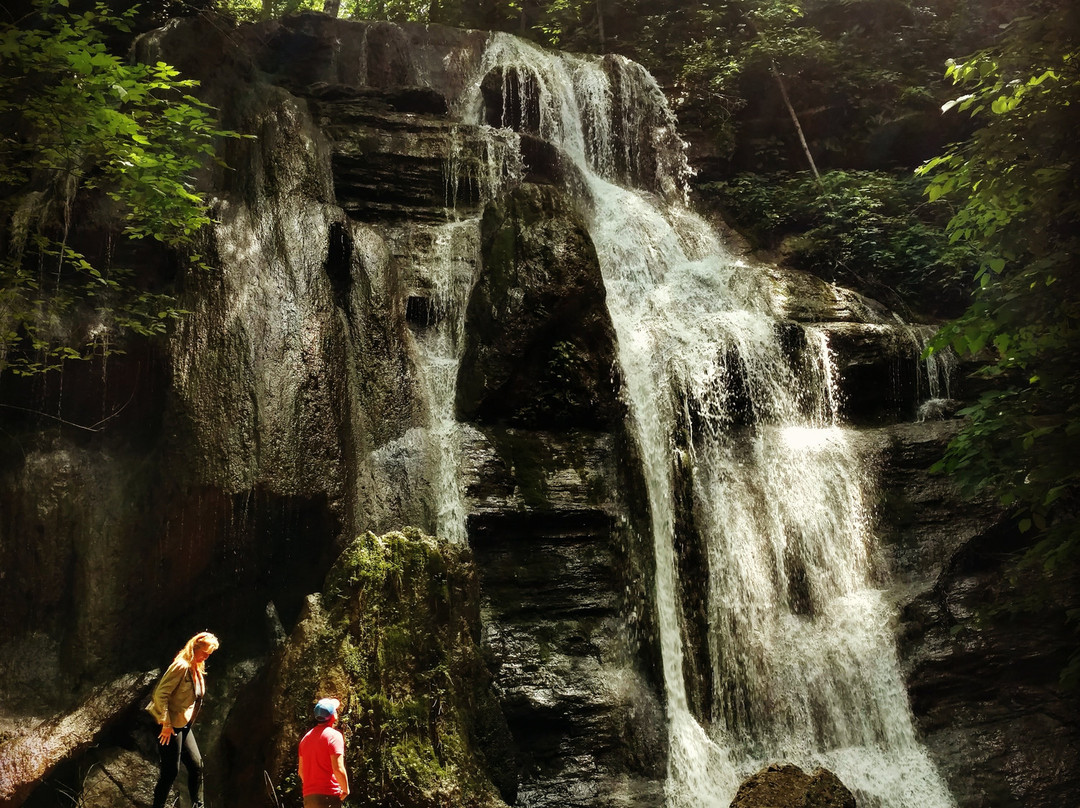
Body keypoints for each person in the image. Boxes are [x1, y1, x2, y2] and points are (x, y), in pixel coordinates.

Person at [146, 631, 220, 808]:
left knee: (196, 765)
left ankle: (198, 805)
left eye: (209, 654)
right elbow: (160, 694)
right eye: (204, 653)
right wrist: (166, 724)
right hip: (168, 725)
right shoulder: (181, 666)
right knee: (171, 771)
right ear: (195, 648)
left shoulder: (197, 668)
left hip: (183, 724)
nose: (206, 657)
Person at [298, 697, 350, 807]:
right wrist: (345, 789)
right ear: (333, 715)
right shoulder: (334, 736)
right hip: (328, 796)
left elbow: (301, 771)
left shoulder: (305, 739)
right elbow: (338, 768)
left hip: (309, 798)